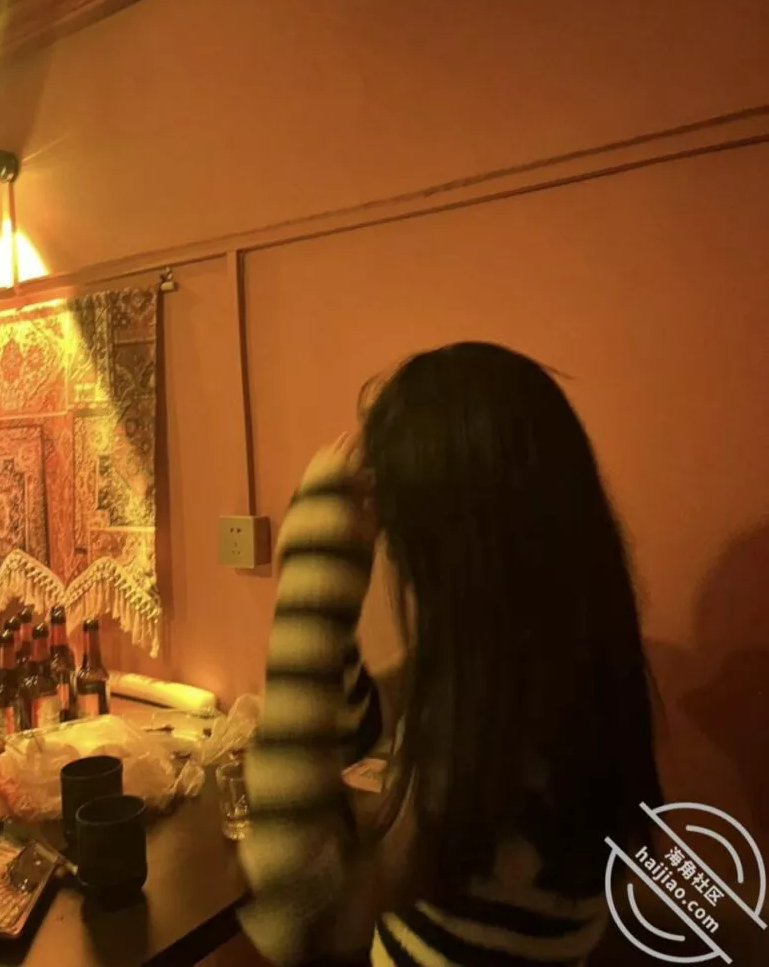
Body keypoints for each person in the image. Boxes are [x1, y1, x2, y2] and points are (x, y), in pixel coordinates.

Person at [233, 341, 664, 966]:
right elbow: (359, 729)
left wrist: (314, 569)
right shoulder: (553, 669)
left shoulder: (506, 736)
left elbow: (297, 908)